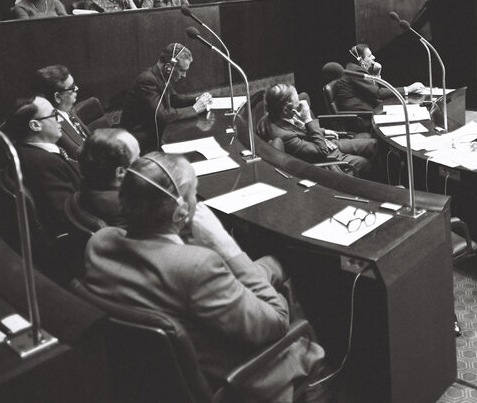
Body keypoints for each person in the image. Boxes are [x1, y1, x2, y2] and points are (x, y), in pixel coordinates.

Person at [84, 153, 328, 402]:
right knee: (289, 299)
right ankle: (314, 386)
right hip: (237, 378)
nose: (197, 202)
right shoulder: (197, 267)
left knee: (273, 265)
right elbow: (277, 322)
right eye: (194, 195)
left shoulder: (99, 242)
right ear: (180, 212)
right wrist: (227, 247)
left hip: (153, 378)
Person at [5, 96, 82, 250]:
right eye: (54, 115)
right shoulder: (43, 163)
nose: (60, 120)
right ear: (35, 125)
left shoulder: (31, 151)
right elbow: (69, 214)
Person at [259, 83, 377, 179]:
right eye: (297, 102)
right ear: (285, 110)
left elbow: (300, 129)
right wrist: (308, 119)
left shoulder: (279, 115)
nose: (301, 103)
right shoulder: (285, 137)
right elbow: (322, 152)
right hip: (327, 157)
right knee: (366, 164)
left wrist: (323, 131)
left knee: (374, 145)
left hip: (328, 143)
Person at [120, 43, 212, 153]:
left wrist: (197, 100)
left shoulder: (161, 75)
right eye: (182, 70)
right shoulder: (147, 81)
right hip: (138, 141)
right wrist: (195, 109)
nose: (184, 75)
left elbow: (174, 100)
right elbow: (162, 115)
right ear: (169, 67)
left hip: (155, 133)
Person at [74, 128, 140, 227]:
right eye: (137, 157)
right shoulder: (124, 206)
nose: (141, 160)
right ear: (120, 172)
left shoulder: (86, 184)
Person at [333, 44, 425, 113]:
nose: (374, 57)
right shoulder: (356, 72)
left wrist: (376, 75)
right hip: (361, 117)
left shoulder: (353, 68)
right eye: (369, 56)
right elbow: (378, 93)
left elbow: (374, 90)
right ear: (361, 60)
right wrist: (408, 89)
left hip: (365, 111)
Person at [32, 65, 90, 159]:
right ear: (57, 97)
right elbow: (79, 156)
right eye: (72, 87)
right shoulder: (52, 126)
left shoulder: (67, 110)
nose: (77, 88)